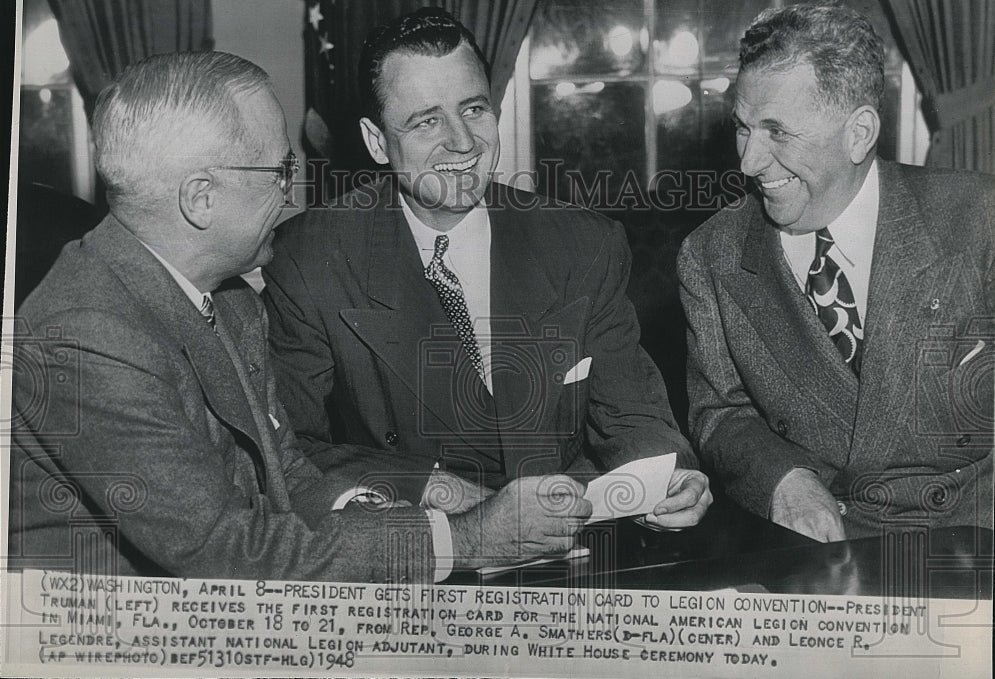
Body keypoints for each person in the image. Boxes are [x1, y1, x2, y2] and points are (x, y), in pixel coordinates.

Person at [7, 51, 591, 583]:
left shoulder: (230, 299)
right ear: (200, 198)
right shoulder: (89, 334)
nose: (292, 196)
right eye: (278, 173)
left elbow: (288, 478)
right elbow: (227, 553)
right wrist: (467, 540)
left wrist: (421, 508)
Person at [262, 8, 712, 541]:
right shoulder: (310, 258)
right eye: (426, 120)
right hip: (424, 557)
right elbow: (289, 451)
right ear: (378, 142)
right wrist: (439, 491)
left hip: (575, 551)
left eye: (473, 108)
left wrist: (670, 476)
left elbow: (634, 418)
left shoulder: (583, 243)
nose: (463, 141)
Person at [679, 4, 995, 541]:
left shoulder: (982, 221)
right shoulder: (711, 255)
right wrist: (785, 482)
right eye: (743, 128)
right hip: (826, 546)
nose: (749, 162)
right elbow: (721, 413)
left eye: (778, 132)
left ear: (859, 133)